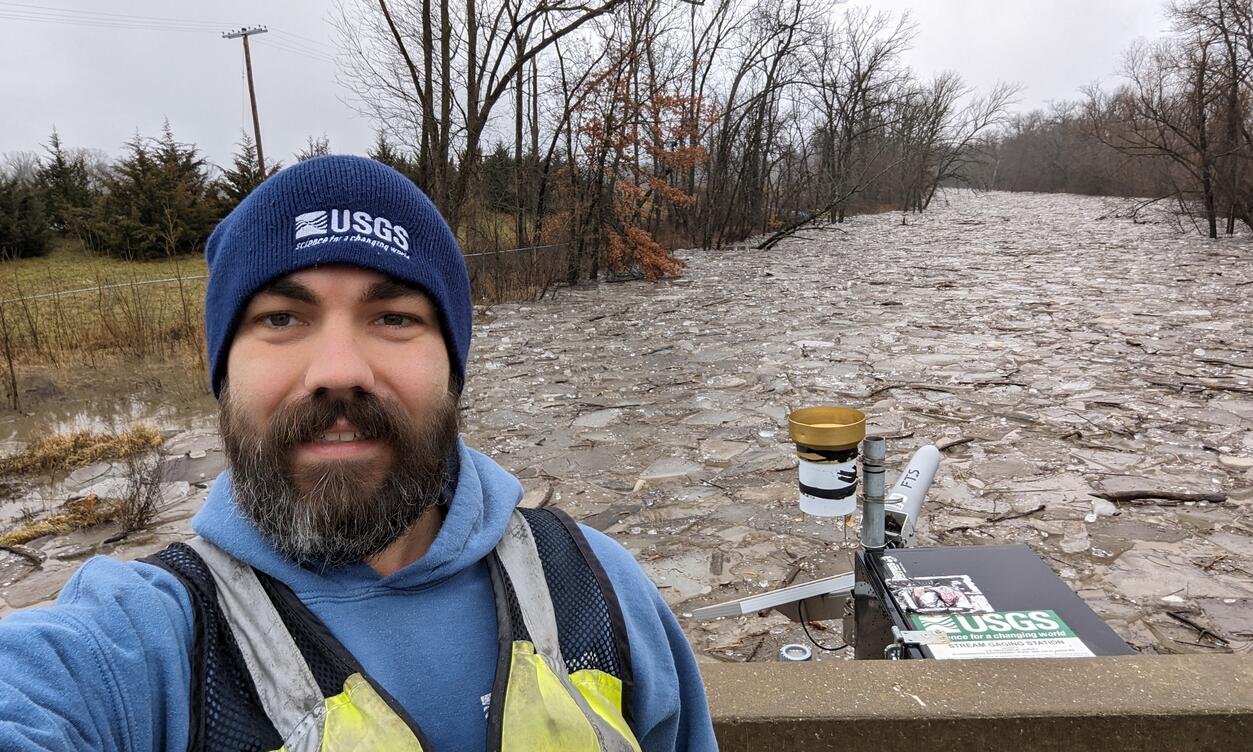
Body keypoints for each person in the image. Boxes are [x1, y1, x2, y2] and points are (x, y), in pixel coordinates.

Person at [0, 155, 717, 751]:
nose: (338, 368)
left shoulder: (600, 591)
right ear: (223, 373)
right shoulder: (141, 646)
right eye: (281, 318)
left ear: (452, 367)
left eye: (394, 317)